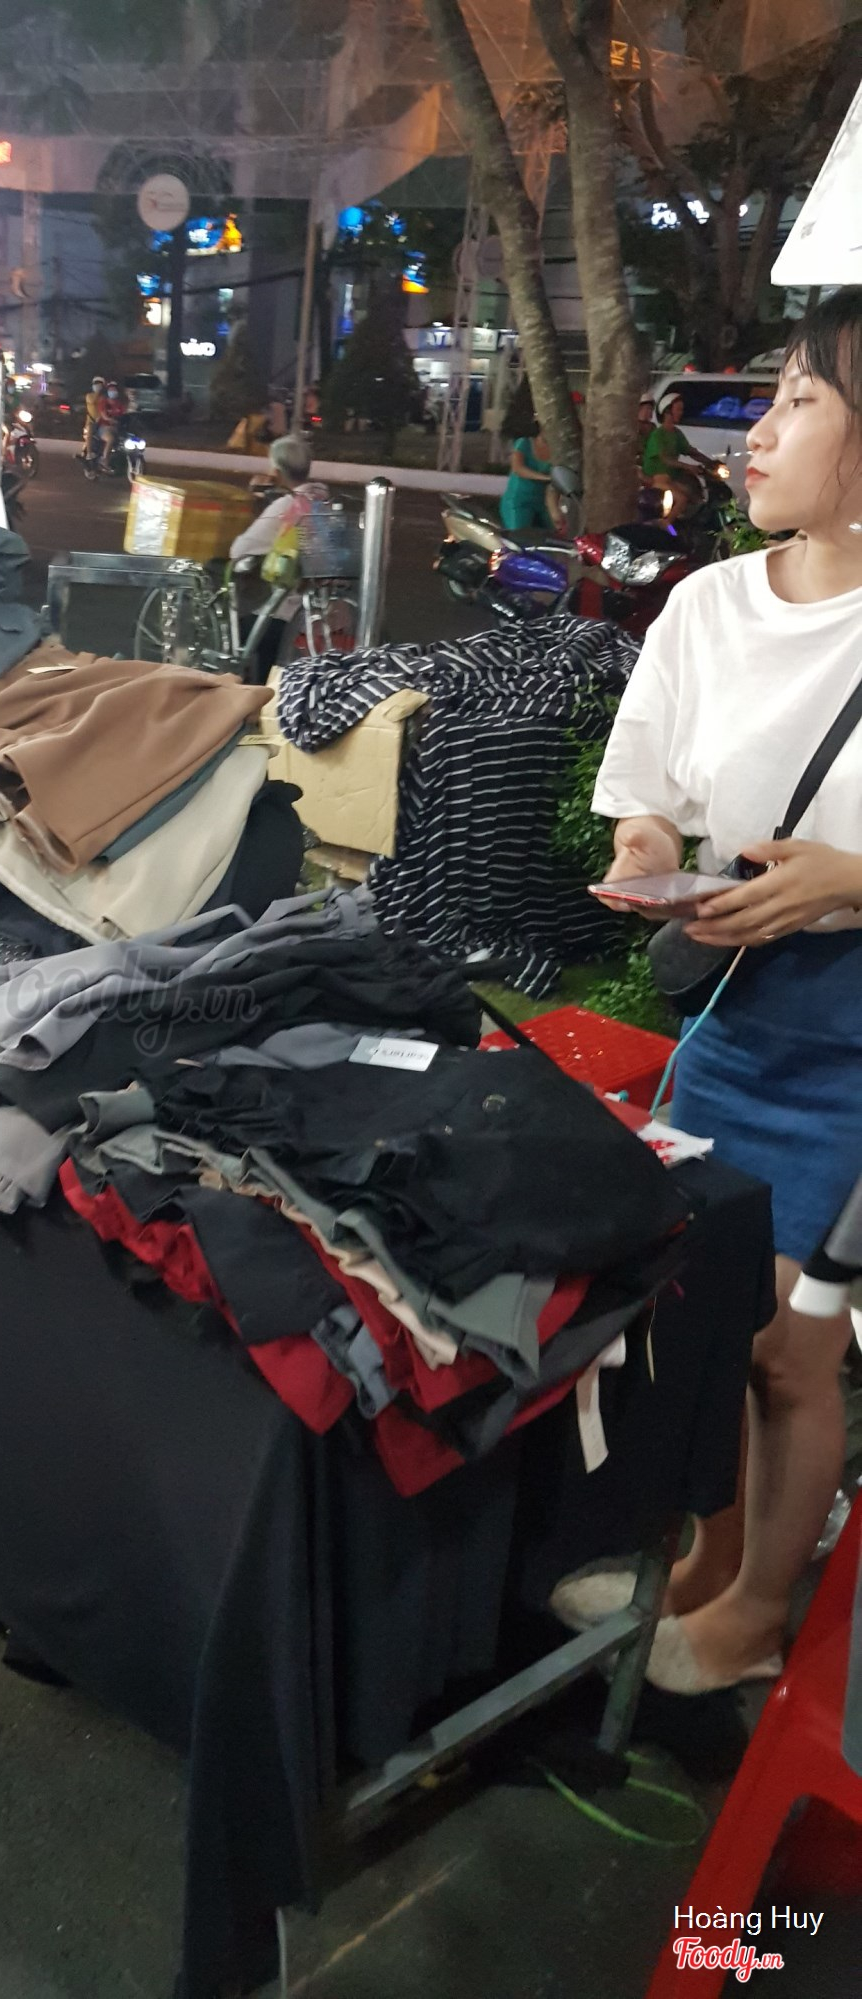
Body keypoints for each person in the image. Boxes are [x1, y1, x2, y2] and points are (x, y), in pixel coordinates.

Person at [583, 288, 862, 1695]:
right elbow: (649, 798)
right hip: (735, 1013)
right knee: (710, 1315)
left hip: (856, 1040)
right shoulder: (706, 605)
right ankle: (703, 1566)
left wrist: (850, 882)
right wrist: (647, 858)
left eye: (800, 401)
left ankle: (756, 1612)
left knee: (793, 1348)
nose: (754, 434)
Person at [230, 433, 329, 562]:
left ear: (277, 472)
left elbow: (240, 550)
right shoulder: (321, 499)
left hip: (280, 568)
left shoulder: (286, 504)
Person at [641, 391, 719, 486]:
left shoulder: (677, 433)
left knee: (694, 487)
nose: (680, 413)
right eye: (678, 410)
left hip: (671, 476)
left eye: (681, 410)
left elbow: (690, 451)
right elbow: (665, 459)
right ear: (667, 411)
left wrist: (711, 462)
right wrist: (688, 466)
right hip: (656, 478)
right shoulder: (657, 435)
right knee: (682, 494)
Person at [499, 422, 558, 534]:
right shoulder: (524, 443)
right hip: (519, 501)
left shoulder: (556, 452)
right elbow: (518, 468)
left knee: (552, 534)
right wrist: (545, 478)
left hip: (541, 502)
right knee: (519, 534)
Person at [83, 376, 107, 460]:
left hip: (102, 422)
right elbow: (92, 401)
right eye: (96, 384)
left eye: (99, 384)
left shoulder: (104, 397)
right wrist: (98, 393)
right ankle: (89, 453)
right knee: (90, 433)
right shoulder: (89, 396)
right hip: (91, 421)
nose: (97, 386)